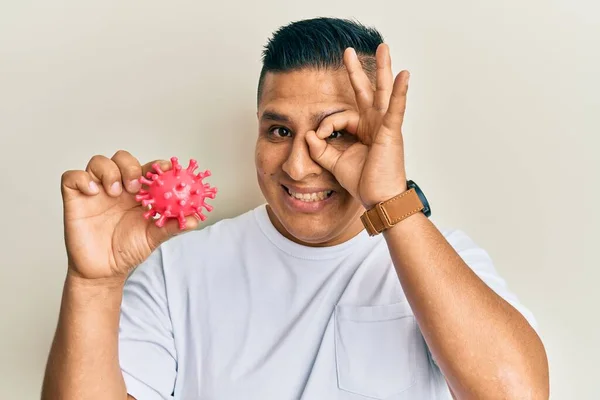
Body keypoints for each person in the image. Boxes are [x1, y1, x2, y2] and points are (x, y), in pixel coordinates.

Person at [41, 17, 549, 399]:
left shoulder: (439, 261)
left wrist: (391, 199)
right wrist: (94, 284)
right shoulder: (177, 270)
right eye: (278, 131)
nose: (300, 167)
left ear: (382, 139)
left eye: (336, 134)